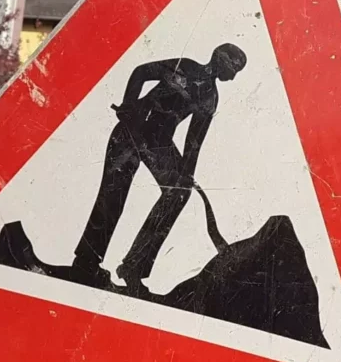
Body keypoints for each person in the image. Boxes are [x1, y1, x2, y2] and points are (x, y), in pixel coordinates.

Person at [68, 43, 247, 290]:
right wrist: (129, 106)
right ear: (220, 60)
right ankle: (86, 264)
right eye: (232, 69)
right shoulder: (186, 67)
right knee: (113, 194)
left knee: (179, 192)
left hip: (159, 142)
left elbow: (194, 141)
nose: (232, 77)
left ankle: (134, 267)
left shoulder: (210, 98)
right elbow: (141, 72)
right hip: (133, 128)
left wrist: (187, 174)